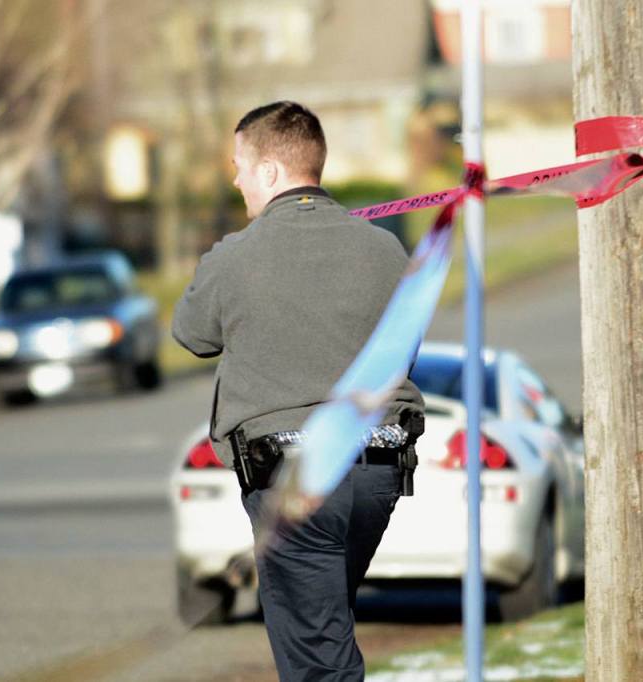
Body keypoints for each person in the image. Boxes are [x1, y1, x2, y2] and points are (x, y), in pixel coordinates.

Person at [173, 101, 424, 681]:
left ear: (269, 171)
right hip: (377, 472)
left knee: (318, 659)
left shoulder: (235, 256)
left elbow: (191, 333)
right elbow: (405, 348)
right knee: (325, 627)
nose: (235, 180)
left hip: (295, 478)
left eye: (239, 166)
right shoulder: (384, 250)